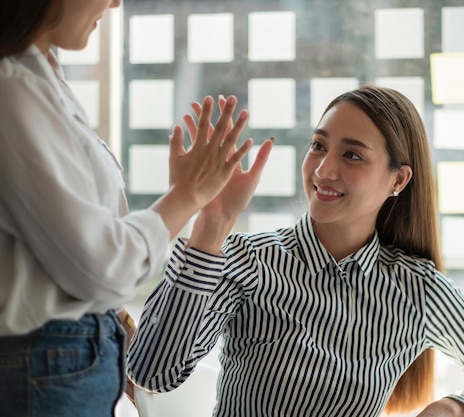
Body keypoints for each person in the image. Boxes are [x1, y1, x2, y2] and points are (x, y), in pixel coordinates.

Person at [127, 84, 464, 416]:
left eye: (352, 154)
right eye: (319, 146)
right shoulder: (248, 261)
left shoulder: (418, 289)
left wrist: (453, 408)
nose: (323, 170)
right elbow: (151, 372)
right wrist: (211, 224)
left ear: (398, 180)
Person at [0, 1, 273, 416]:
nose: (115, 2)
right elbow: (101, 268)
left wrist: (202, 207)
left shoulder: (40, 81)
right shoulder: (12, 88)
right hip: (47, 365)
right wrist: (188, 198)